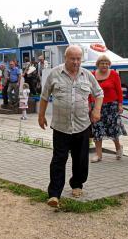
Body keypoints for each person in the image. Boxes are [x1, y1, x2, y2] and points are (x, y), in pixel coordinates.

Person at [39, 45, 104, 208]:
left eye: (78, 59)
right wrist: (41, 115)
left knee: (81, 160)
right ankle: (54, 194)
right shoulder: (54, 74)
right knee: (58, 160)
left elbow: (99, 93)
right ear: (65, 58)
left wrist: (97, 110)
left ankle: (77, 184)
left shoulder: (87, 75)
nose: (75, 62)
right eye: (72, 58)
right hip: (61, 126)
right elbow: (44, 96)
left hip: (82, 125)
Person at [90, 55, 124, 163]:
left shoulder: (114, 74)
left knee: (113, 129)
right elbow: (89, 91)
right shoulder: (92, 75)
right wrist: (89, 104)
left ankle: (118, 147)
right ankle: (98, 154)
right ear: (98, 64)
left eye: (106, 63)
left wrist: (120, 104)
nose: (104, 65)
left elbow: (119, 90)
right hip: (96, 106)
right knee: (97, 129)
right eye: (102, 63)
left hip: (111, 106)